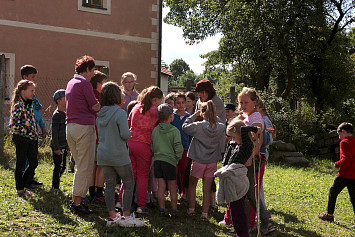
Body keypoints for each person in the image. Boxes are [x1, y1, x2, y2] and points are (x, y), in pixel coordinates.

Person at [96, 82, 145, 227]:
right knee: (128, 183)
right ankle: (127, 216)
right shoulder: (119, 113)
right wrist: (131, 132)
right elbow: (125, 134)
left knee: (110, 184)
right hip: (119, 155)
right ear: (117, 96)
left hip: (103, 154)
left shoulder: (100, 113)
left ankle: (112, 217)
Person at [118, 86, 163, 213]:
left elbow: (129, 123)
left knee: (129, 175)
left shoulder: (136, 107)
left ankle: (121, 201)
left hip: (130, 143)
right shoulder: (156, 111)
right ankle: (141, 205)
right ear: (155, 100)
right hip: (144, 145)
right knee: (143, 176)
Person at [237, 87, 275, 234]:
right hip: (247, 158)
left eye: (246, 102)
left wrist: (250, 157)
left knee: (249, 193)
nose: (243, 105)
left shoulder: (255, 117)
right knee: (249, 193)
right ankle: (264, 224)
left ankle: (257, 224)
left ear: (255, 102)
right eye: (241, 102)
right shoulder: (247, 116)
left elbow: (257, 140)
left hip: (251, 160)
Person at [66, 55, 101, 214]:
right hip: (84, 127)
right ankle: (78, 203)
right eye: (92, 70)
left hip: (70, 127)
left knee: (80, 165)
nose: (93, 74)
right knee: (84, 167)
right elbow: (94, 107)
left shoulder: (70, 83)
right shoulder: (84, 84)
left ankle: (75, 200)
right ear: (87, 69)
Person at [182, 100, 225, 221]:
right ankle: (204, 213)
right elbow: (220, 122)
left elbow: (184, 127)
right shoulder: (220, 127)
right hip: (212, 161)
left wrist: (193, 116)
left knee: (192, 185)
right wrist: (213, 114)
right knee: (207, 188)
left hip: (198, 160)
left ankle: (191, 209)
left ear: (202, 113)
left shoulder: (198, 126)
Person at [215, 119, 259, 237]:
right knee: (234, 210)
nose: (232, 140)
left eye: (233, 137)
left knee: (239, 211)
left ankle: (243, 233)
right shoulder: (237, 145)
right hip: (233, 179)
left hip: (238, 180)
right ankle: (239, 231)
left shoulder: (246, 145)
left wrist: (254, 129)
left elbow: (244, 129)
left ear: (239, 135)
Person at [194, 79, 226, 211]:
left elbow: (207, 119)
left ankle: (212, 203)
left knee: (210, 175)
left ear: (208, 92)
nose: (199, 95)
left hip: (214, 142)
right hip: (202, 140)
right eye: (198, 93)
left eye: (201, 92)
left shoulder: (216, 103)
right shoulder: (200, 101)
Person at [319, 122, 355, 229]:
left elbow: (346, 159)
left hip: (345, 174)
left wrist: (337, 164)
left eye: (339, 135)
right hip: (354, 175)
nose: (339, 138)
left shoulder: (345, 142)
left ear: (343, 132)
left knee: (333, 191)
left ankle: (329, 215)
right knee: (354, 198)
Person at [151, 103, 183, 217]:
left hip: (158, 160)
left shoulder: (155, 130)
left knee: (161, 186)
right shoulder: (175, 131)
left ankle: (162, 209)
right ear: (171, 116)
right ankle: (174, 210)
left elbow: (152, 146)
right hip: (170, 161)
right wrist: (177, 157)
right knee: (172, 186)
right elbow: (178, 148)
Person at [9, 80, 37, 196]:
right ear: (23, 91)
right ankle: (20, 189)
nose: (33, 93)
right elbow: (13, 125)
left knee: (33, 162)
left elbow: (31, 121)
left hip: (31, 138)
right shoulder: (18, 106)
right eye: (31, 90)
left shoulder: (29, 104)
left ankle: (25, 183)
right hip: (21, 138)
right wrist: (27, 132)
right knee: (20, 163)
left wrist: (33, 134)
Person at [20, 65, 45, 188]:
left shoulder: (32, 95)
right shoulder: (22, 95)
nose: (34, 80)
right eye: (32, 77)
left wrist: (41, 125)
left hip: (33, 129)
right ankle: (25, 181)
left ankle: (30, 178)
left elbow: (38, 110)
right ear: (25, 77)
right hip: (25, 131)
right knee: (25, 158)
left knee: (33, 157)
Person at [88, 70, 107, 203]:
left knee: (92, 165)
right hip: (99, 134)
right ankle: (99, 193)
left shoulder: (89, 95)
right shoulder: (99, 97)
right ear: (99, 83)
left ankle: (92, 191)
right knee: (101, 165)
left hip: (91, 134)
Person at [171, 92, 192, 200]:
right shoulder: (171, 116)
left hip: (185, 148)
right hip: (173, 149)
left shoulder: (189, 117)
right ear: (174, 104)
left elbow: (191, 134)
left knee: (184, 171)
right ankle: (173, 192)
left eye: (183, 102)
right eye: (178, 103)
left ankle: (184, 192)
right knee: (173, 172)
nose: (181, 105)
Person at [50, 89, 69, 191]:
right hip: (57, 146)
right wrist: (56, 147)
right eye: (65, 98)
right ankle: (55, 187)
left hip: (63, 145)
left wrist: (67, 145)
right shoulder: (56, 115)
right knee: (58, 166)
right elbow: (54, 132)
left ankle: (56, 181)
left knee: (63, 166)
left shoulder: (65, 114)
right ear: (59, 101)